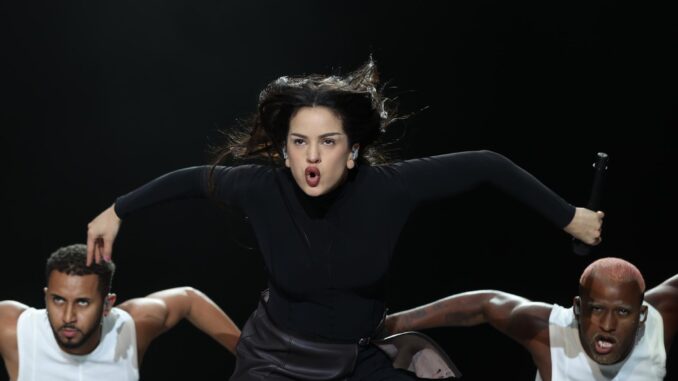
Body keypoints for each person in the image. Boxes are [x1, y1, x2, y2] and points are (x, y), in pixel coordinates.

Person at [85, 58, 604, 380]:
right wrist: (117, 211)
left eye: (328, 142)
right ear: (284, 152)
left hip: (358, 360)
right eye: (299, 142)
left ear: (352, 151)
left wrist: (569, 217)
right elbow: (192, 180)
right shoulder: (261, 186)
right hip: (276, 363)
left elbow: (488, 165)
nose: (312, 157)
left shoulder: (390, 188)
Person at [385, 257, 677, 380]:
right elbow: (484, 304)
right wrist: (390, 325)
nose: (608, 325)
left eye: (622, 312)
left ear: (641, 315)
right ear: (578, 307)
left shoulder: (659, 320)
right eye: (596, 309)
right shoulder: (551, 332)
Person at [0, 244, 240, 381]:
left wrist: (258, 357)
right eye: (58, 300)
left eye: (83, 302)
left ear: (107, 305)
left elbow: (188, 299)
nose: (68, 316)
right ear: (45, 297)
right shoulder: (15, 327)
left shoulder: (130, 328)